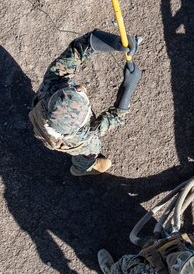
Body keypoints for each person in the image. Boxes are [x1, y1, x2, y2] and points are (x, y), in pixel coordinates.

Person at [29, 29, 142, 176]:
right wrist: (129, 87)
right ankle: (81, 168)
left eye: (72, 90)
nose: (79, 88)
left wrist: (114, 42)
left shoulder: (53, 83)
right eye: (82, 96)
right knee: (91, 150)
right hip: (74, 144)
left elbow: (77, 49)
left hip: (42, 125)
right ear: (83, 123)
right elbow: (115, 117)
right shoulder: (86, 137)